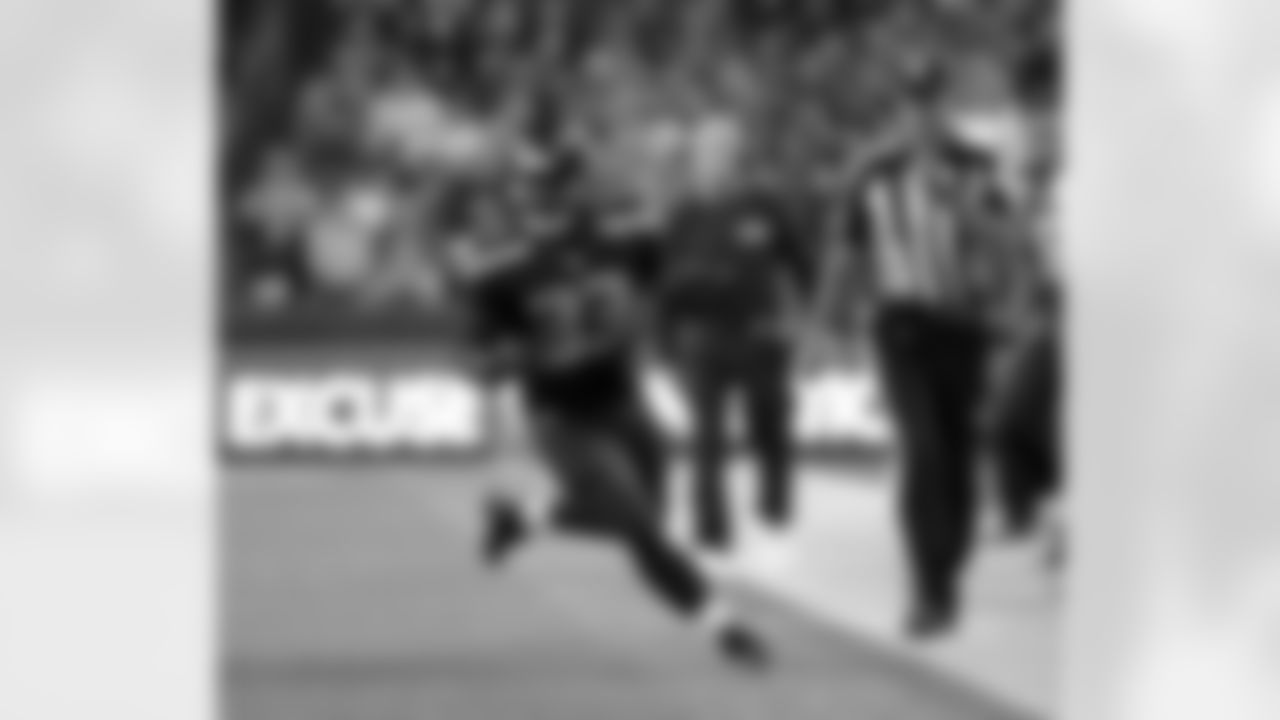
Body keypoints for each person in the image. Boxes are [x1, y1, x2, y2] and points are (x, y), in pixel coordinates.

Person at [445, 175, 772, 669]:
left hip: (627, 405)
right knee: (636, 521)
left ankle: (528, 517)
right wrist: (504, 361)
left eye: (559, 194)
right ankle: (724, 625)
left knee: (644, 526)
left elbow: (675, 278)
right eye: (540, 200)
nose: (553, 211)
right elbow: (473, 359)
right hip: (564, 417)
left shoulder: (621, 245)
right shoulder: (504, 276)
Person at [850, 81, 998, 639]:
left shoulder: (978, 166)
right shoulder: (874, 174)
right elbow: (849, 249)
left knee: (958, 459)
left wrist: (959, 204)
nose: (922, 117)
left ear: (945, 109)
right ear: (901, 113)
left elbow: (1005, 241)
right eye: (912, 106)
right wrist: (824, 325)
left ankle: (947, 570)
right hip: (901, 327)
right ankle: (925, 589)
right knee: (923, 451)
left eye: (932, 105)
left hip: (962, 328)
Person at [660, 180, 810, 563]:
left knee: (770, 422)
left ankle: (775, 507)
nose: (715, 159)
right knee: (707, 436)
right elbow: (663, 282)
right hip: (702, 337)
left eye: (722, 152)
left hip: (759, 333)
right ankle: (711, 529)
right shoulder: (684, 214)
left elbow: (801, 262)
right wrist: (665, 343)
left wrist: (801, 319)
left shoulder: (764, 205)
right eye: (706, 153)